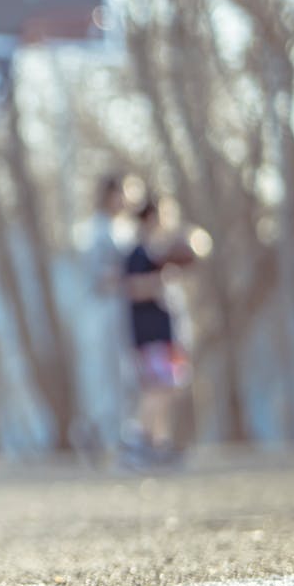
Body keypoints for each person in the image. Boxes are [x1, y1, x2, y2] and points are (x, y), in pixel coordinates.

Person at [122, 194, 193, 465]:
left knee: (169, 388)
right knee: (156, 388)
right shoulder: (139, 253)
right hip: (150, 334)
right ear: (151, 217)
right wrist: (159, 280)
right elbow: (132, 288)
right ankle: (136, 439)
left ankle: (158, 445)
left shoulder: (161, 252)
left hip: (166, 333)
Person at [73, 173, 131, 458]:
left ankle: (109, 434)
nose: (127, 200)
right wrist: (134, 278)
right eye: (122, 193)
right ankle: (98, 433)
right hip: (102, 310)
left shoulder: (121, 229)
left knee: (120, 375)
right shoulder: (97, 231)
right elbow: (99, 276)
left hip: (117, 309)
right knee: (106, 376)